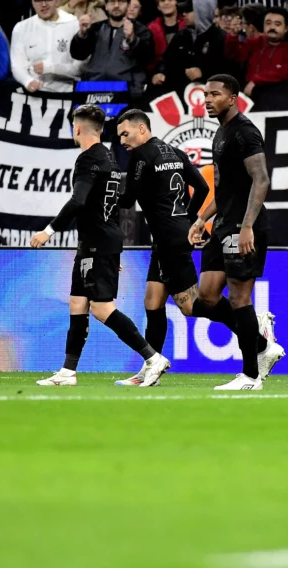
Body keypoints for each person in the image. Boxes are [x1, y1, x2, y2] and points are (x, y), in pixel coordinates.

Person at [29, 104, 171, 387]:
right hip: (97, 242)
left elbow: (79, 200)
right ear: (102, 129)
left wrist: (48, 231)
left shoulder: (87, 159)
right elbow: (112, 206)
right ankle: (68, 372)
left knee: (101, 308)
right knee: (77, 303)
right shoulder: (110, 158)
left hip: (97, 244)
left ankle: (153, 358)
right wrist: (111, 246)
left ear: (77, 128)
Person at [187, 74, 284, 391]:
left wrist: (246, 228)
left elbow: (262, 180)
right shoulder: (221, 134)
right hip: (223, 225)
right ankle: (261, 342)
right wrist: (202, 219)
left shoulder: (244, 131)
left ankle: (251, 376)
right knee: (206, 299)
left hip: (244, 227)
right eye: (205, 95)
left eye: (214, 94)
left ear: (233, 98)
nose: (208, 100)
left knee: (240, 298)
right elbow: (224, 188)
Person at [111, 109, 215, 385]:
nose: (122, 140)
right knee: (152, 301)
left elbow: (127, 200)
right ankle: (151, 367)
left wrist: (102, 197)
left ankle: (253, 326)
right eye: (119, 135)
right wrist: (189, 221)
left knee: (190, 307)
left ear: (142, 129)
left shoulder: (140, 156)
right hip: (171, 236)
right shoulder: (174, 151)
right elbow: (203, 189)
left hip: (170, 239)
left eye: (125, 133)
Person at [9, 0, 85, 93]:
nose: (43, 4)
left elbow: (79, 69)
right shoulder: (21, 27)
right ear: (32, 3)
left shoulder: (74, 24)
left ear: (57, 1)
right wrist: (28, 81)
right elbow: (17, 65)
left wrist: (50, 68)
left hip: (67, 92)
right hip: (34, 93)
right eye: (38, 0)